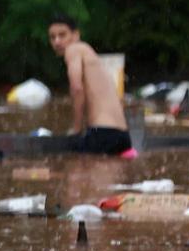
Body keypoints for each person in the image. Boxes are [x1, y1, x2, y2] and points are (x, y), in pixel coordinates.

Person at [48, 14, 132, 155]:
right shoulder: (93, 58)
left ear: (75, 35)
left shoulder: (73, 49)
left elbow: (77, 88)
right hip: (122, 135)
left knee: (74, 172)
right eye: (52, 37)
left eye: (62, 35)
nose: (57, 41)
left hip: (103, 133)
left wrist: (76, 129)